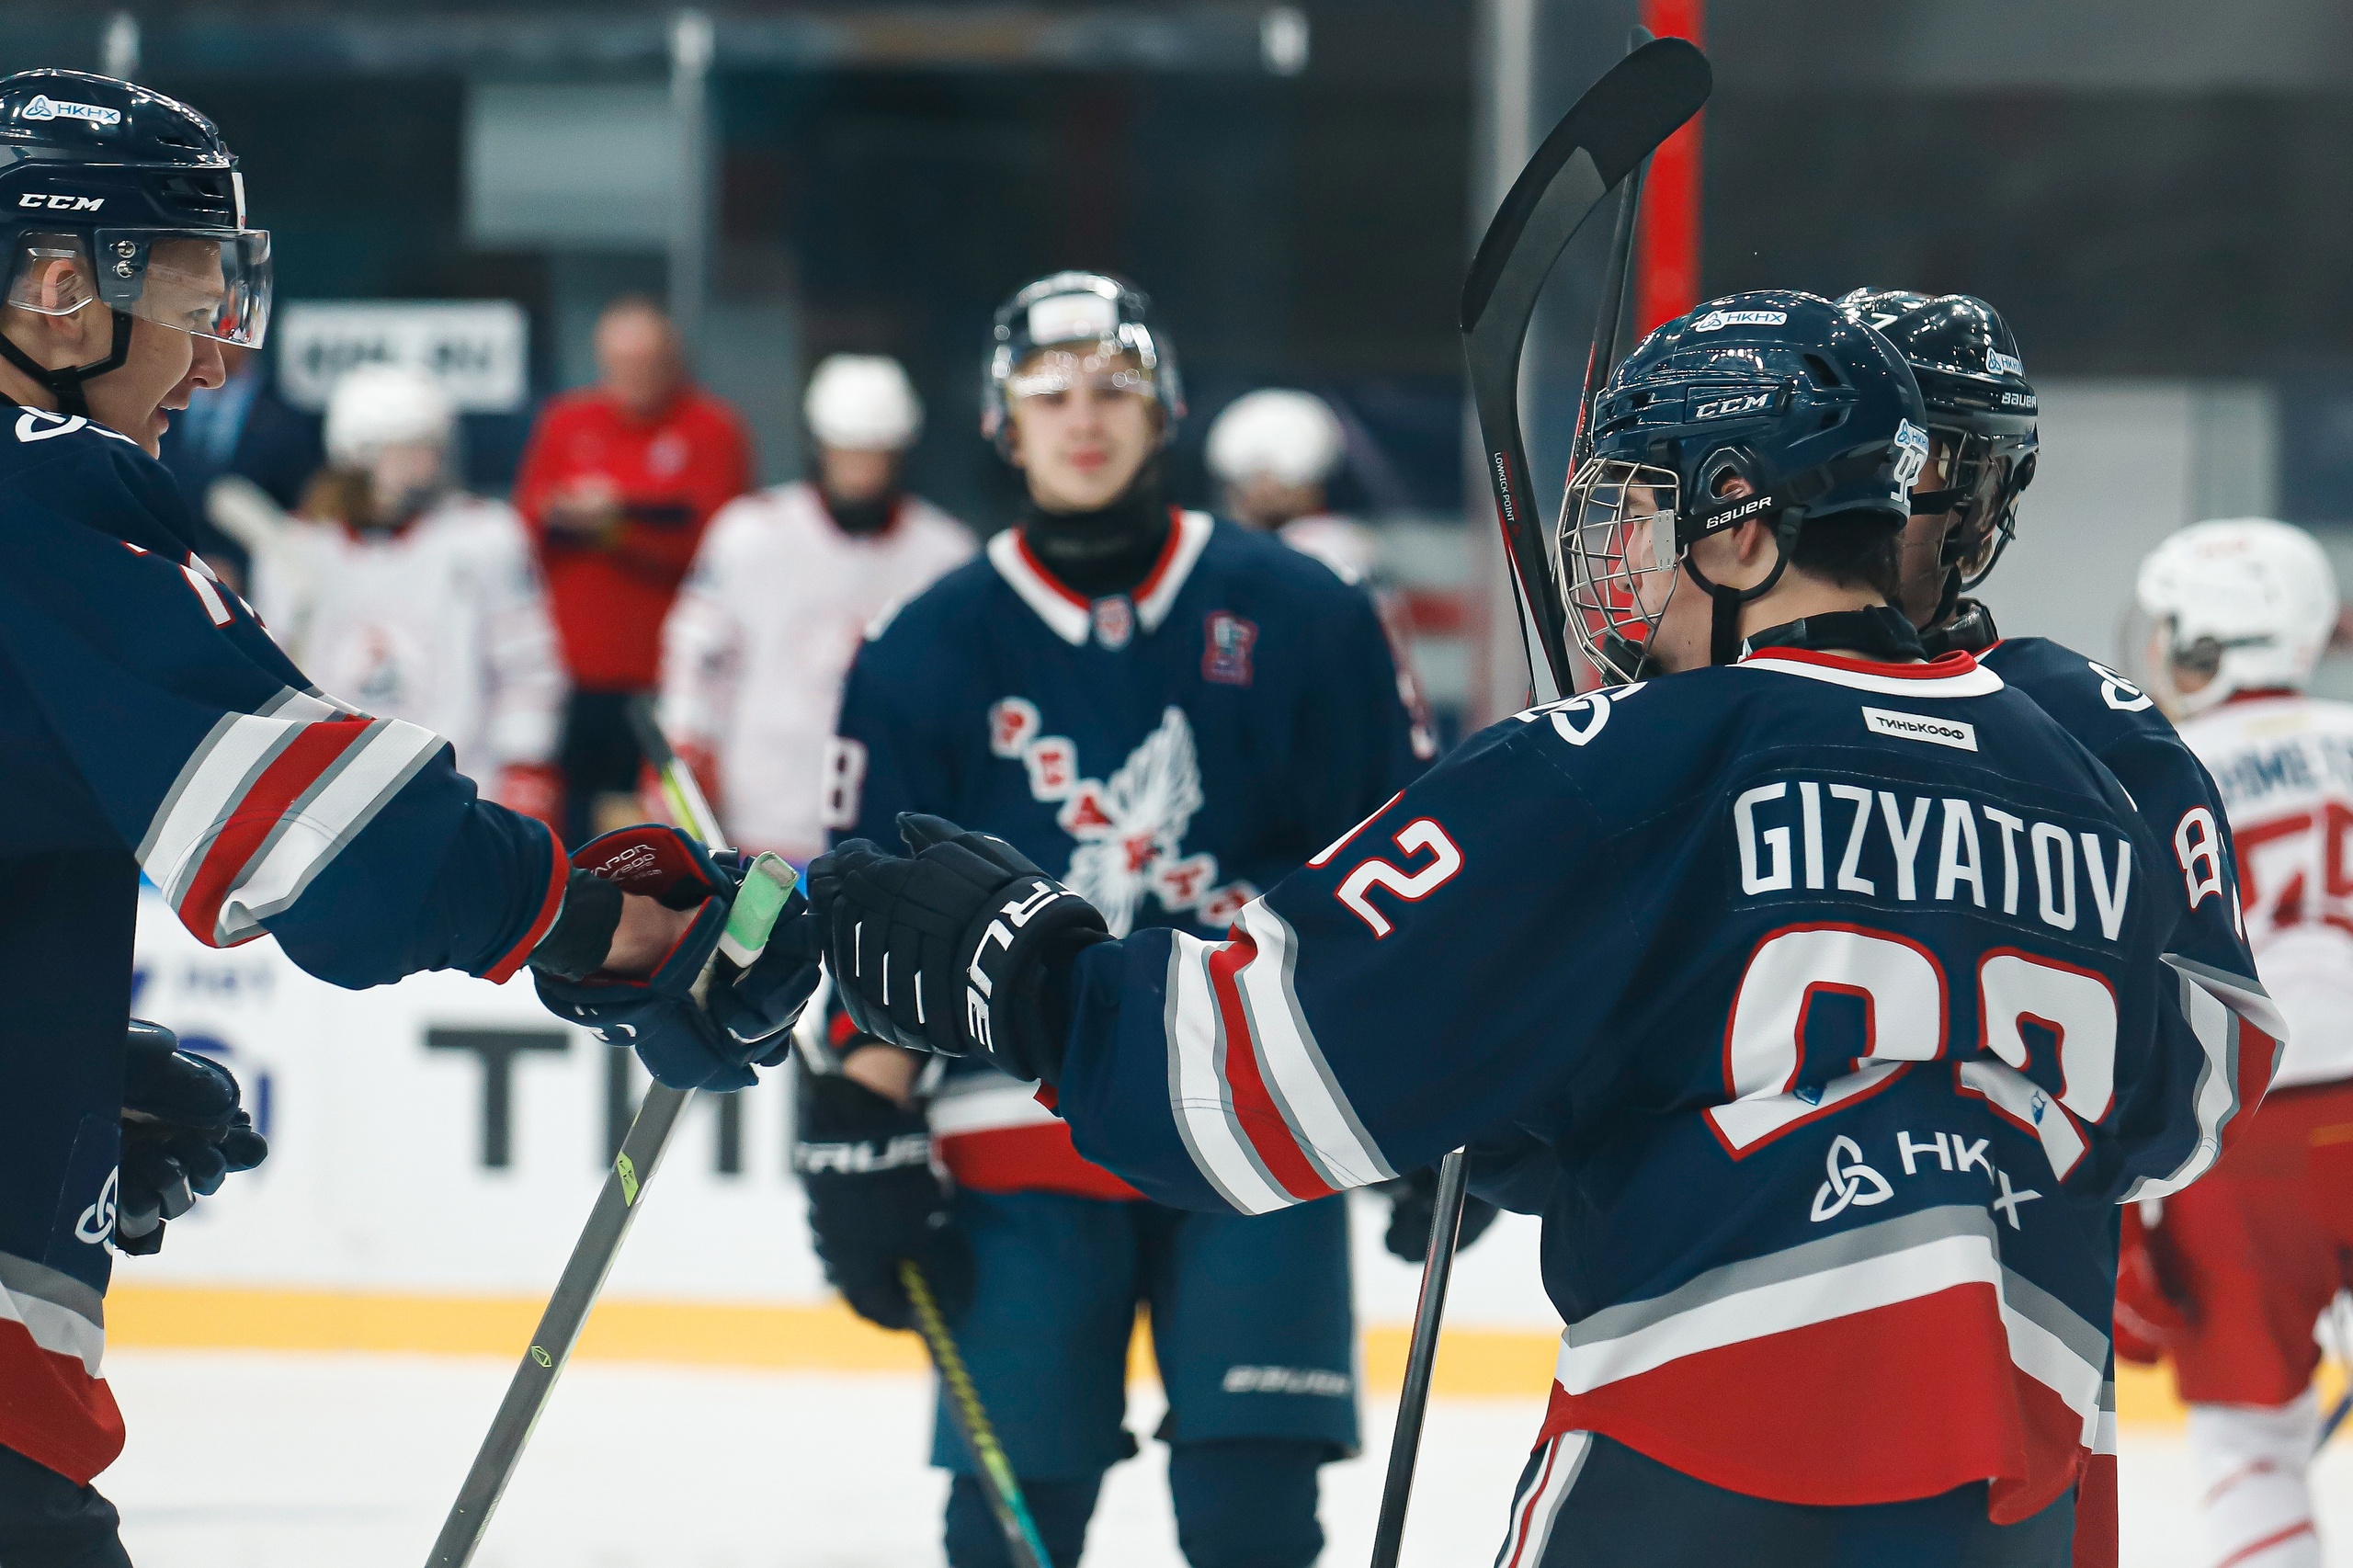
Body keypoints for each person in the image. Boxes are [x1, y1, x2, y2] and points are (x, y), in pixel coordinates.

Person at [808, 290, 2287, 1567]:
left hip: (1706, 1455)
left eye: (1645, 512)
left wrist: (1026, 971)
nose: (1620, 563)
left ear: (1740, 521)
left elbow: (1246, 1079)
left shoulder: (1634, 760)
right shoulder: (2081, 765)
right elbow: (2182, 1098)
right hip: (2025, 1478)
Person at [0, 72, 813, 1567]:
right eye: (192, 296)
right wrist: (598, 918)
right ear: (56, 290)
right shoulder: (41, 494)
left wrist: (42, 1066)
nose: (220, 352)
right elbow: (334, 851)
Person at [795, 271, 1442, 1568]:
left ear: (1167, 409)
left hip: (1257, 1110)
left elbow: (1400, 871)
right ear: (1002, 422)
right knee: (1012, 1527)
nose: (1083, 419)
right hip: (1015, 1125)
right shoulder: (924, 643)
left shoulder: (1307, 613)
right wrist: (859, 1115)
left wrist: (1433, 1085)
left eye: (1114, 387)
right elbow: (879, 917)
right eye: (1049, 394)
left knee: (1254, 1520)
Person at [1843, 287, 2273, 1562]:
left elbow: (2206, 1070)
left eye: (1902, 464)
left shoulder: (2092, 732)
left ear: (1979, 498)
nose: (1855, 499)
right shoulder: (1695, 723)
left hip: (2004, 1374)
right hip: (1708, 1389)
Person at [2114, 517, 2353, 1568]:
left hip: (2237, 1131)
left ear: (2200, 642)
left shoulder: (2151, 774)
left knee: (2247, 1447)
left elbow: (2123, 998)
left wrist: (2119, 1209)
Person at [657, 353, 972, 863]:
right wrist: (686, 744)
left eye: (876, 453)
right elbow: (696, 655)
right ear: (820, 446)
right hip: (762, 811)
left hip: (891, 824)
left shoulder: (945, 554)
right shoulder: (750, 534)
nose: (862, 471)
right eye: (848, 451)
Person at [240, 363, 567, 836]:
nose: (430, 463)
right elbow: (277, 677)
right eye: (410, 448)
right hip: (333, 799)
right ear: (359, 454)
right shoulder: (297, 549)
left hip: (468, 789)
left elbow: (527, 667)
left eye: (433, 447)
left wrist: (525, 763)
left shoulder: (485, 536)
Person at [512, 296, 752, 846]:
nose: (633, 376)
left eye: (646, 362)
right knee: (572, 832)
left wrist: (615, 524)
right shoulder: (567, 421)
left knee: (670, 833)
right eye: (621, 363)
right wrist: (598, 518)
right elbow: (529, 522)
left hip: (673, 677)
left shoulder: (711, 429)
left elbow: (717, 546)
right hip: (575, 671)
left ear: (673, 360)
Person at [153, 341, 320, 589]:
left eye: (224, 326)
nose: (211, 335)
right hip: (163, 575)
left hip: (255, 589)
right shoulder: (153, 406)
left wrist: (239, 570)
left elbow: (299, 524)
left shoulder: (293, 424)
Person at [1203, 387, 1373, 584]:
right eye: (1250, 478)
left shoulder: (1334, 547)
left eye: (1278, 477)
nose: (1264, 489)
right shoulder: (1222, 546)